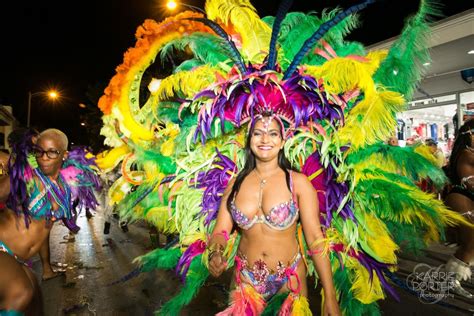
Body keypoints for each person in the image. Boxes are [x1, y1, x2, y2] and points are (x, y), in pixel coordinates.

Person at [207, 114, 340, 315]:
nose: (265, 140)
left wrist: (330, 296)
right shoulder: (236, 184)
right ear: (249, 140)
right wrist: (216, 251)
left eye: (272, 134)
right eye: (258, 134)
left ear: (282, 141)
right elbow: (221, 230)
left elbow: (315, 239)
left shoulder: (299, 183)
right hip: (245, 282)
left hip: (289, 282)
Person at [0, 128, 72, 314]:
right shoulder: (26, 177)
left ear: (64, 155)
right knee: (20, 293)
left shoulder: (65, 186)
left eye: (52, 152)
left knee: (35, 308)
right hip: (1, 247)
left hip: (19, 260)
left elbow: (43, 231)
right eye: (39, 151)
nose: (45, 157)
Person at [444, 119, 474, 298]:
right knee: (471, 240)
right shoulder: (467, 154)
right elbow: (468, 181)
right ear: (469, 135)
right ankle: (451, 279)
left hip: (466, 197)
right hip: (460, 198)